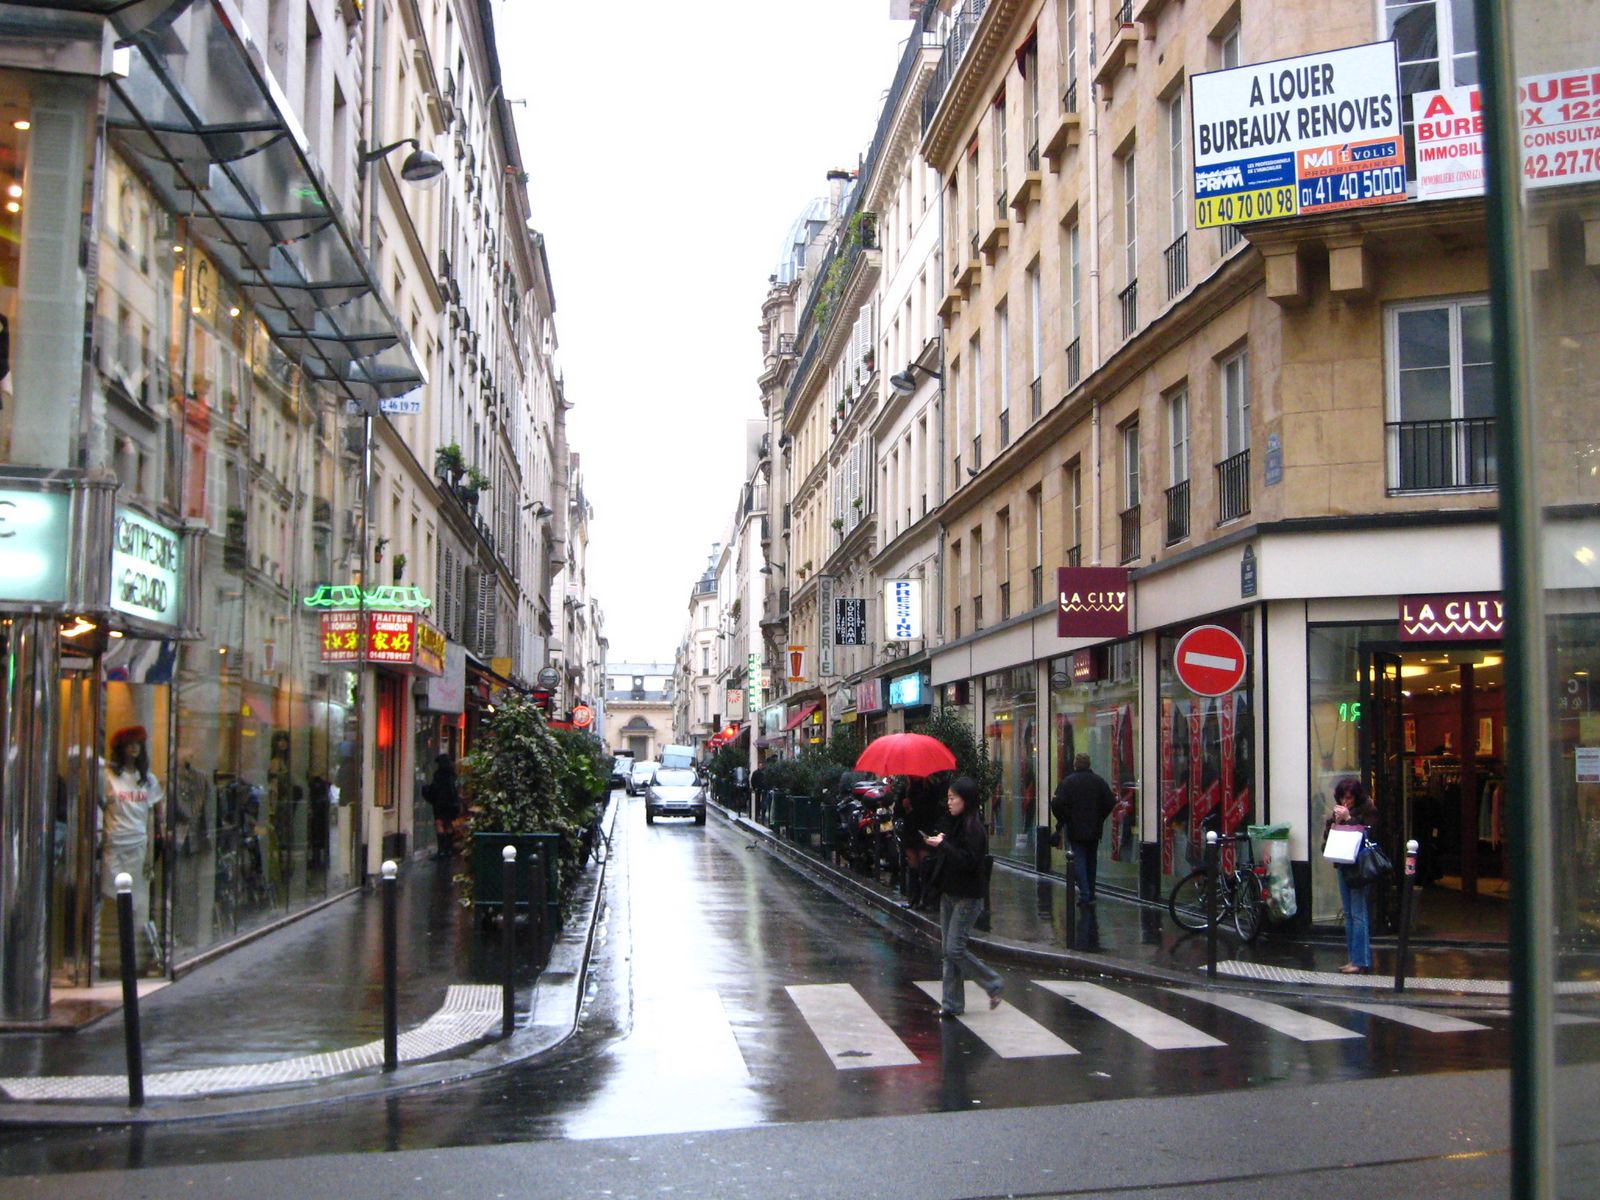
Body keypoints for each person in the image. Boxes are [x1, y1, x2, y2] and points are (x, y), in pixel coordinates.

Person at [924, 775, 1004, 1017]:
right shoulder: (954, 823)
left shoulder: (974, 829)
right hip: (949, 892)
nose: (949, 802)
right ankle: (951, 1004)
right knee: (948, 952)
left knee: (954, 949)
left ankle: (992, 982)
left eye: (953, 798)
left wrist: (943, 845)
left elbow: (968, 861)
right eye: (948, 798)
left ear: (965, 800)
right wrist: (940, 841)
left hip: (967, 896)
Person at [101, 725, 164, 973]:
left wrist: (152, 851)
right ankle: (110, 961)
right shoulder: (108, 777)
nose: (134, 749)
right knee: (112, 900)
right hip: (114, 846)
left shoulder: (148, 780)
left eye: (138, 744)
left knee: (137, 904)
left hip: (138, 847)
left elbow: (155, 816)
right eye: (129, 744)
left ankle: (136, 961)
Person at [1326, 776, 1378, 974]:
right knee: (1348, 913)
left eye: (1349, 797)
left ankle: (1361, 960)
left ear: (1357, 797)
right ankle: (1353, 958)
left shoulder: (1368, 810)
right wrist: (1335, 822)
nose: (1345, 801)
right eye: (1342, 797)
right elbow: (1327, 839)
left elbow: (1369, 834)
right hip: (1343, 864)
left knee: (1358, 913)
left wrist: (1349, 819)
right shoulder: (1337, 813)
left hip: (1360, 867)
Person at [1051, 753, 1116, 906]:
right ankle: (1090, 892)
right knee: (1091, 861)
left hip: (1075, 827)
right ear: (1089, 764)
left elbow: (1056, 804)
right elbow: (1110, 801)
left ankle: (1085, 893)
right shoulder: (1098, 781)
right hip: (1094, 828)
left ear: (1075, 764)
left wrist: (1065, 818)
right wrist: (1100, 816)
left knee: (1079, 860)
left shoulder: (1068, 782)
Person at [426, 753, 462, 860]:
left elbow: (435, 789)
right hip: (451, 803)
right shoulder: (452, 775)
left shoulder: (438, 775)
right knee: (449, 824)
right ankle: (448, 849)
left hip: (440, 803)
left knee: (439, 823)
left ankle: (441, 850)